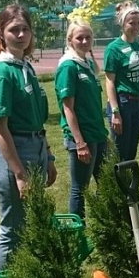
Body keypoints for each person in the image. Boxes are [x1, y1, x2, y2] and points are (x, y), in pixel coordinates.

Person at [0, 4, 56, 275]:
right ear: (1, 33)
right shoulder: (1, 72)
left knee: (30, 223)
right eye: (14, 30)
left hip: (34, 147)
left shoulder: (24, 66)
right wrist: (19, 173)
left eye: (25, 29)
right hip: (15, 152)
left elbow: (37, 118)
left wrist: (47, 154)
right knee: (12, 228)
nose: (21, 34)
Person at [56, 19, 108, 218]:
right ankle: (78, 231)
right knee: (80, 188)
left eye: (88, 37)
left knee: (105, 182)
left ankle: (103, 223)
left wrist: (103, 135)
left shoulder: (86, 64)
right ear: (70, 40)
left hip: (97, 133)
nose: (85, 41)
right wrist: (79, 143)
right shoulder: (69, 66)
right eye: (80, 38)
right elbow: (67, 107)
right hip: (82, 137)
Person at [104, 1, 139, 162]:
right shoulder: (113, 48)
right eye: (132, 23)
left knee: (132, 150)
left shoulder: (137, 46)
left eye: (138, 23)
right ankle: (115, 185)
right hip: (122, 103)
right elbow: (109, 82)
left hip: (136, 104)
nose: (136, 27)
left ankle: (128, 184)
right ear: (122, 23)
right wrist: (115, 112)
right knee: (120, 150)